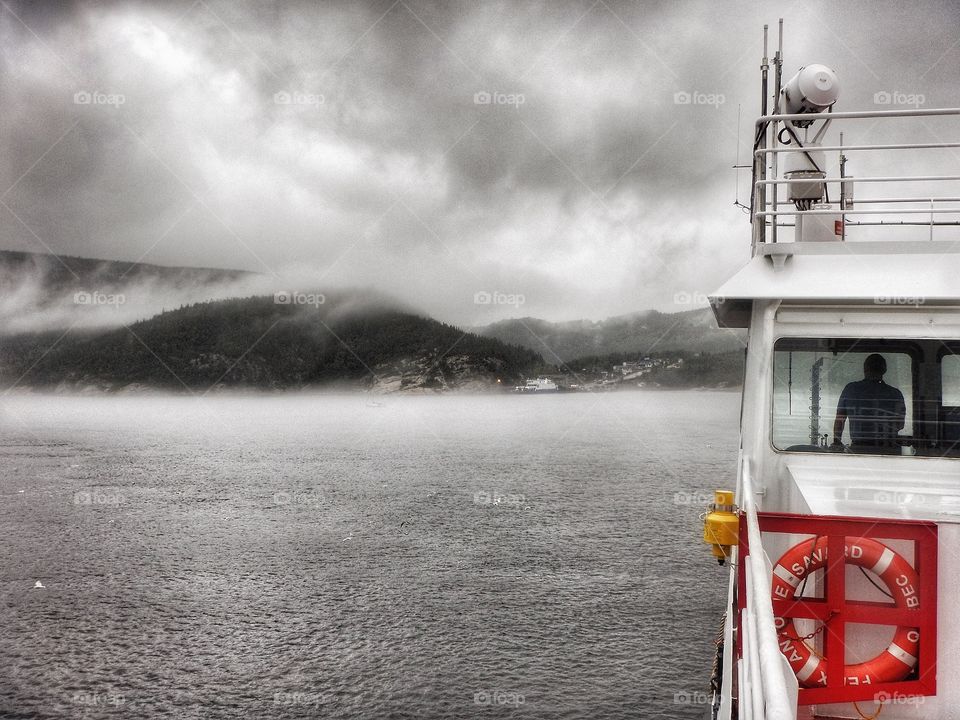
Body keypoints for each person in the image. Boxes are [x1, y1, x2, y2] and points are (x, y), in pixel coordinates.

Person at [832, 354, 905, 451]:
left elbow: (839, 420)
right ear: (884, 370)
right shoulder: (895, 394)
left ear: (865, 369)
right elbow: (900, 424)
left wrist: (837, 443)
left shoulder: (851, 389)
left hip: (859, 449)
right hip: (888, 449)